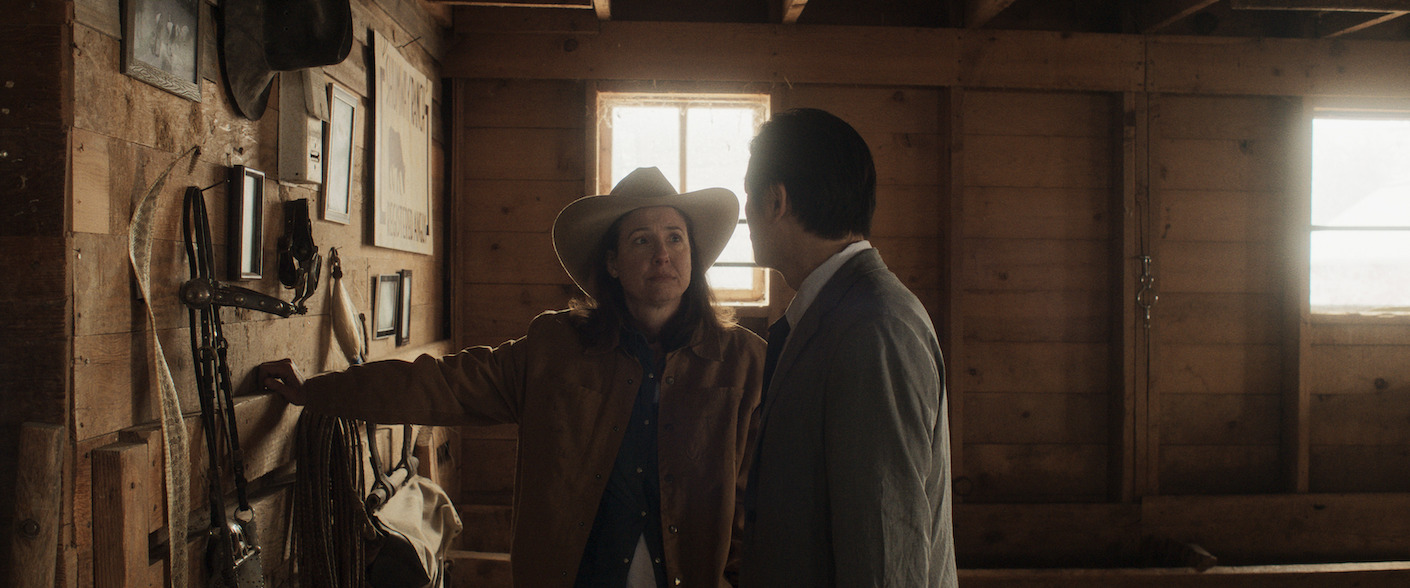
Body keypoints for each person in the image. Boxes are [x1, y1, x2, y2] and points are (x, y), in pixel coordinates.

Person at [260, 167, 766, 588]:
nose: (662, 253)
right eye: (642, 239)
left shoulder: (745, 361)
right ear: (612, 262)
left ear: (693, 255)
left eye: (675, 237)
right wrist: (316, 391)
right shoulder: (556, 349)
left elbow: (763, 498)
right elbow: (442, 385)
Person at [737, 108, 957, 587]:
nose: (746, 215)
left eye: (749, 197)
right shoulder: (841, 313)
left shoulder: (873, 329)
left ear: (775, 200)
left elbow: (885, 552)